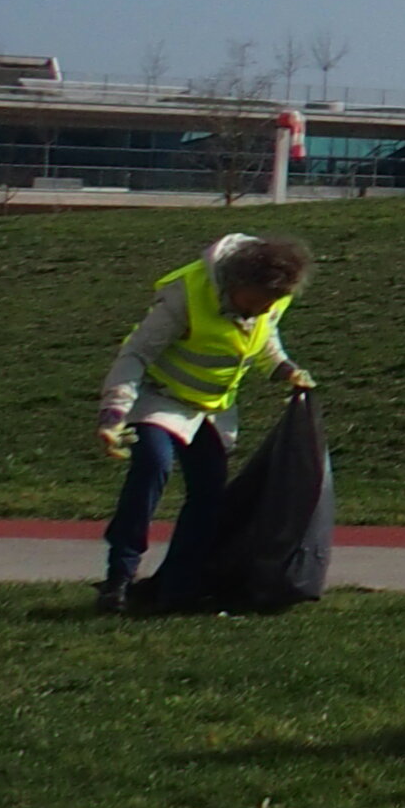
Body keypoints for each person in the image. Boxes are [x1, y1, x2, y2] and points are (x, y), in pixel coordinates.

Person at [95, 231, 315, 614]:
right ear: (237, 283)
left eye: (274, 302)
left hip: (211, 410)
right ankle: (119, 579)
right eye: (261, 300)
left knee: (209, 494)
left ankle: (178, 588)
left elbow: (265, 342)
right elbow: (136, 353)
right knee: (151, 468)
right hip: (159, 397)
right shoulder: (187, 295)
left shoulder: (268, 302)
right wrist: (114, 412)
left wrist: (286, 370)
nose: (266, 309)